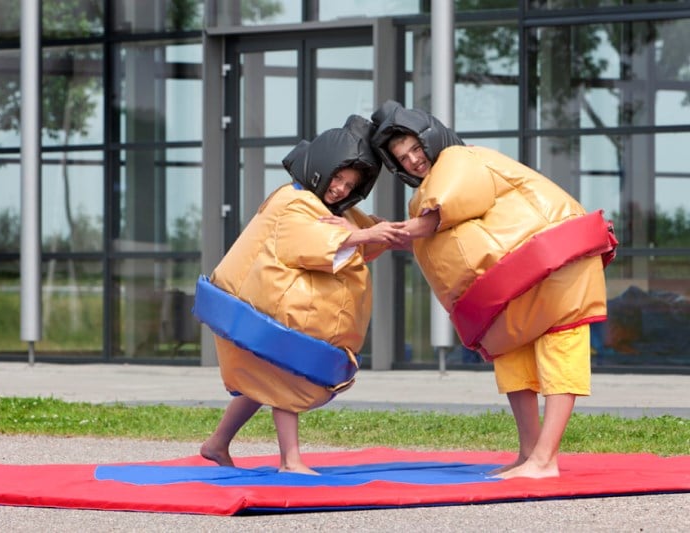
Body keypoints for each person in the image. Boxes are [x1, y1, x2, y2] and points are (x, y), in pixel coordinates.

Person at [366, 100, 618, 479]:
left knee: (559, 354)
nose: (414, 160)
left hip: (554, 267)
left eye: (416, 148)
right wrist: (376, 231)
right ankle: (529, 454)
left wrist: (401, 229)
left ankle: (545, 459)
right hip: (519, 284)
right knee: (512, 358)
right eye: (403, 157)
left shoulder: (461, 160)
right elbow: (431, 232)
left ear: (432, 139)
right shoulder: (424, 196)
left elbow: (441, 211)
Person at [193, 115, 408, 475]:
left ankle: (217, 444)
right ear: (321, 166)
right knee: (287, 373)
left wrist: (393, 233)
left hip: (255, 316)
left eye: (348, 184)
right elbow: (306, 242)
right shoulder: (293, 202)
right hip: (259, 314)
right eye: (337, 177)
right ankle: (290, 461)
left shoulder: (324, 206)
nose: (339, 188)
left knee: (263, 379)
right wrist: (363, 236)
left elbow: (362, 235)